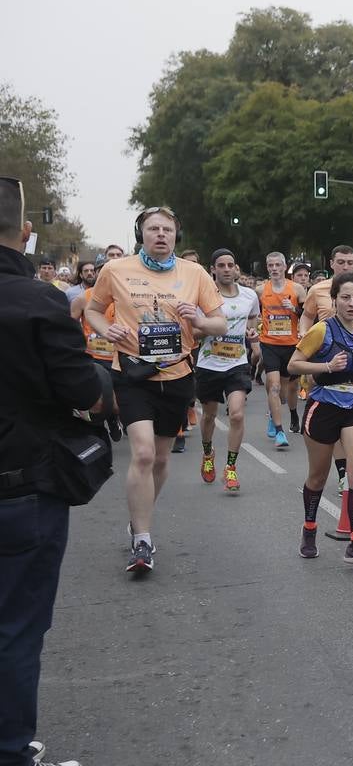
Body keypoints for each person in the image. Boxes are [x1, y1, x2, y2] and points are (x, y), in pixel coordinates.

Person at [0, 175, 105, 766]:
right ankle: (10, 762)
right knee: (16, 626)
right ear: (27, 230)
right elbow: (86, 395)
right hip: (21, 487)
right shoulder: (38, 302)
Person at [85, 206, 226, 575]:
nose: (160, 234)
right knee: (144, 454)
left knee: (161, 460)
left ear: (176, 235)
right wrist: (105, 330)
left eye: (167, 229)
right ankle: (142, 539)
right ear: (141, 233)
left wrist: (199, 320)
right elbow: (94, 310)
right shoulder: (116, 270)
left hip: (177, 375)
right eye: (153, 229)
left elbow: (220, 323)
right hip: (132, 374)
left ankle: (139, 517)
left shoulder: (194, 273)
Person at [289, 272, 353, 567]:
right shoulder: (322, 330)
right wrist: (327, 365)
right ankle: (309, 529)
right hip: (324, 406)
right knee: (318, 477)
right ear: (335, 300)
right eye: (345, 297)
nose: (352, 303)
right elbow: (293, 365)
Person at [194, 249, 260, 494]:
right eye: (220, 265)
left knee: (237, 415)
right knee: (209, 415)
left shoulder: (249, 295)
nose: (226, 269)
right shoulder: (204, 296)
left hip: (237, 363)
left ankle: (231, 468)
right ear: (212, 269)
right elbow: (195, 332)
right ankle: (208, 452)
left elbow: (252, 319)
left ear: (236, 268)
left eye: (230, 265)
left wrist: (252, 336)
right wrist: (213, 328)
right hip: (209, 364)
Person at [258, 251, 306, 445]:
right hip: (269, 343)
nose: (275, 269)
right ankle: (279, 432)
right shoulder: (261, 290)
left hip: (291, 345)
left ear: (285, 267)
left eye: (278, 265)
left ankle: (281, 414)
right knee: (275, 386)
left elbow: (307, 314)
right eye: (271, 265)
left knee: (286, 391)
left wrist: (293, 308)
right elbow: (253, 314)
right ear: (267, 267)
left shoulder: (297, 289)